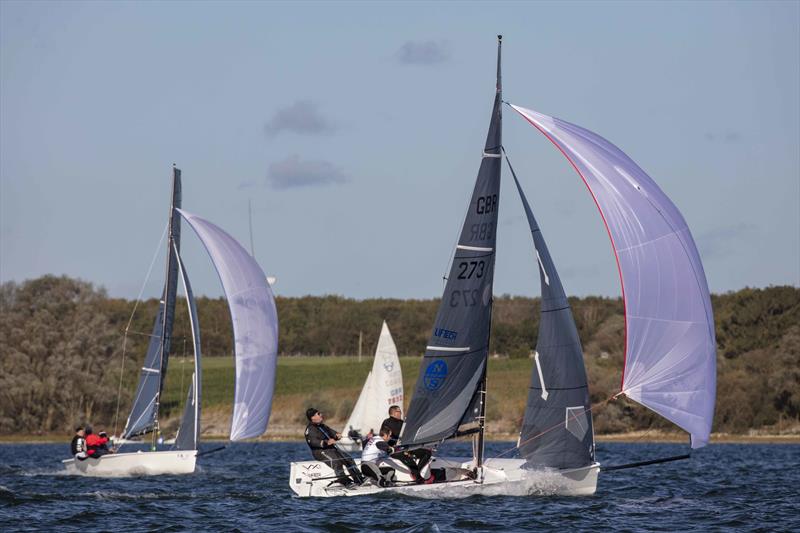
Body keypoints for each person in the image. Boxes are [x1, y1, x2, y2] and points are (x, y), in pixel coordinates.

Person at [304, 408, 364, 487]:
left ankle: (359, 479)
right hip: (320, 452)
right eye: (318, 414)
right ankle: (345, 482)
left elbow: (333, 433)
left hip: (332, 449)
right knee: (336, 462)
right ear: (313, 417)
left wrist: (337, 435)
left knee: (348, 459)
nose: (321, 415)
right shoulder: (309, 430)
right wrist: (326, 442)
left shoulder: (323, 426)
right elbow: (313, 442)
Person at [380, 406, 434, 484]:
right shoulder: (387, 423)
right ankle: (419, 478)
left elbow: (410, 436)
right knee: (408, 458)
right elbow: (384, 437)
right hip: (393, 449)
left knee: (426, 453)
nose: (401, 413)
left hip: (406, 448)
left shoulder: (403, 423)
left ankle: (416, 472)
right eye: (399, 411)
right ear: (394, 412)